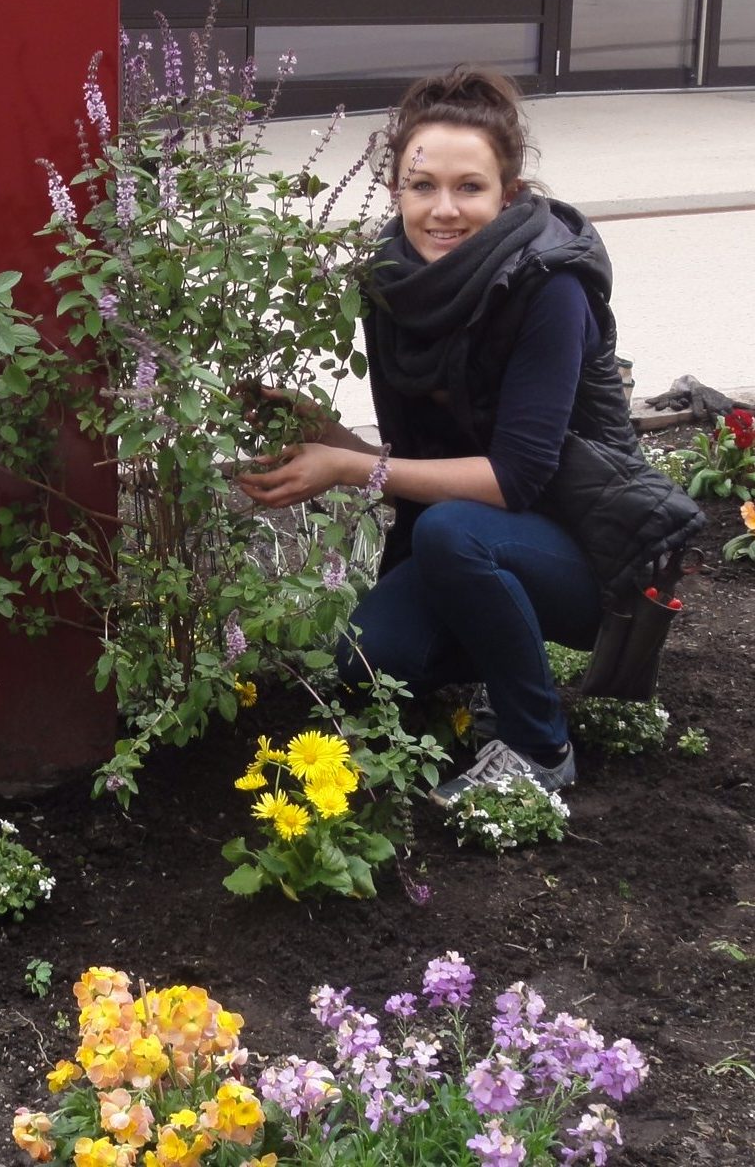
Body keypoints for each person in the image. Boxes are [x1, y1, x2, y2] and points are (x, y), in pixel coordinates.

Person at [236, 68, 702, 806]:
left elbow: (514, 480)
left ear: (508, 195)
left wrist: (348, 469)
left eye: (470, 188)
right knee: (372, 659)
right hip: (486, 539)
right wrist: (318, 430)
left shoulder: (552, 287)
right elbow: (413, 458)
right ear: (395, 191)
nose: (443, 210)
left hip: (592, 553)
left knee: (456, 532)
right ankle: (497, 658)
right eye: (422, 187)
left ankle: (538, 748)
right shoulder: (393, 284)